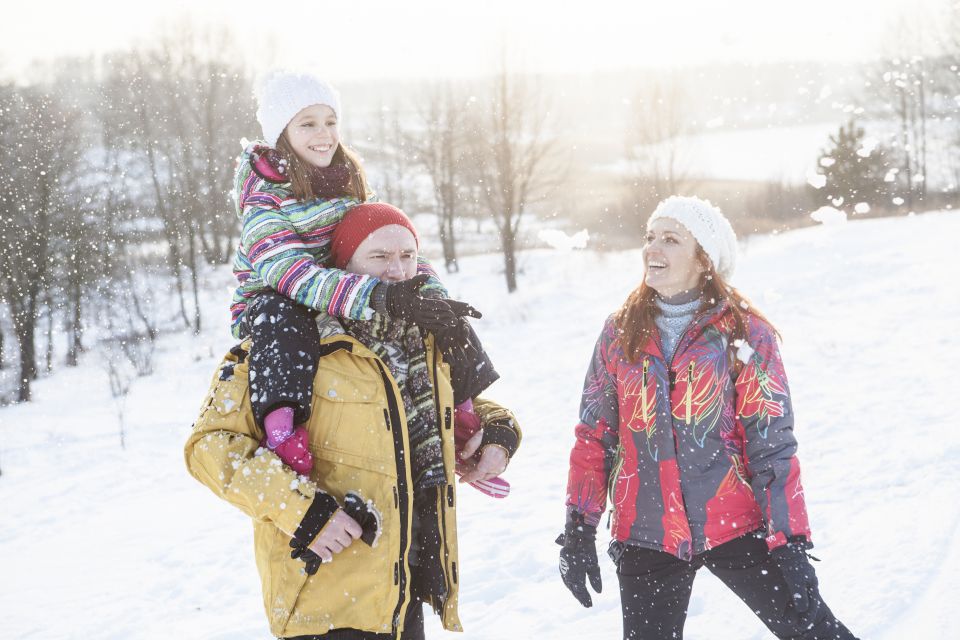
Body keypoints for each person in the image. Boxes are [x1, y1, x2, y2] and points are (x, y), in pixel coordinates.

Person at [185, 202, 521, 639]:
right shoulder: (290, 345)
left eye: (407, 256)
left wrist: (498, 432)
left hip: (404, 587)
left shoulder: (420, 336)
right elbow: (210, 445)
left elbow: (447, 403)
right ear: (343, 266)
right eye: (378, 257)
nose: (397, 271)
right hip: (325, 597)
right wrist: (303, 510)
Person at [557, 196, 859, 639]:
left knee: (814, 631)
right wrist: (578, 527)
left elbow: (771, 442)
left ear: (704, 260)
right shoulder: (620, 331)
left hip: (735, 522)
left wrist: (789, 541)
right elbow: (595, 435)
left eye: (670, 239)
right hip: (646, 531)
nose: (652, 249)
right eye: (650, 237)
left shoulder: (744, 334)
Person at [229, 70, 496, 476]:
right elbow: (291, 274)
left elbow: (388, 237)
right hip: (276, 304)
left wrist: (431, 297)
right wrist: (378, 295)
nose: (324, 134)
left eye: (330, 122)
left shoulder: (345, 178)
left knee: (439, 310)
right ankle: (281, 425)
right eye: (308, 123)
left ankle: (461, 407)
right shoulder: (263, 201)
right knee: (285, 316)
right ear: (281, 132)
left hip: (343, 288)